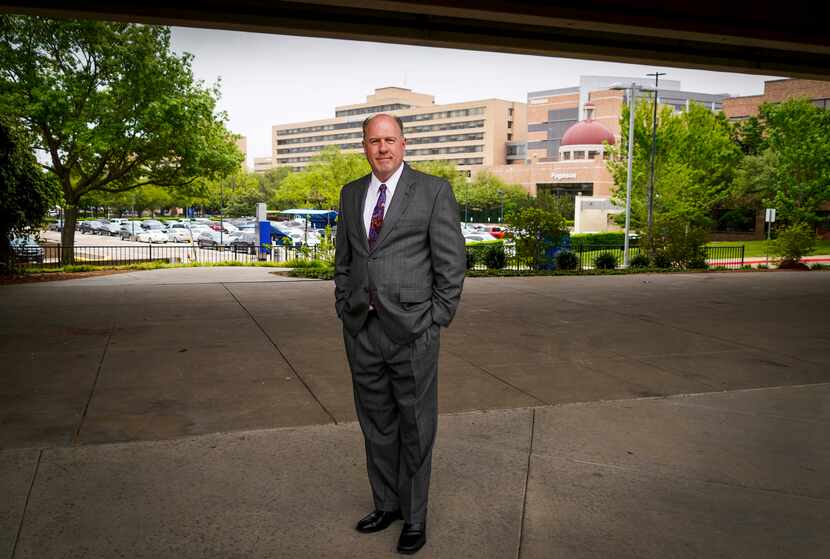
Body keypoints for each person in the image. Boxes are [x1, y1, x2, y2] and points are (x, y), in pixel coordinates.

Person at [334, 113, 466, 554]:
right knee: (376, 425)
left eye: (390, 140)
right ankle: (386, 504)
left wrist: (436, 318)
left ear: (404, 144)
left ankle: (414, 516)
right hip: (362, 329)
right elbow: (345, 261)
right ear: (364, 146)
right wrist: (344, 306)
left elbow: (451, 264)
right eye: (374, 141)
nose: (382, 148)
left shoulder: (432, 191)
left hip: (413, 331)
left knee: (415, 426)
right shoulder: (351, 194)